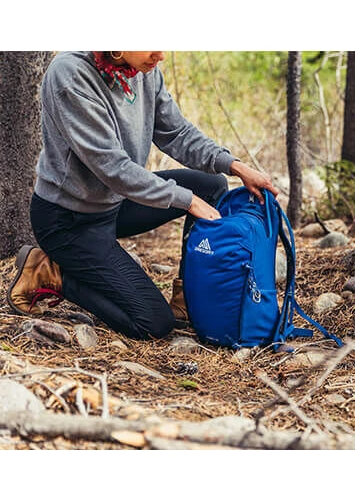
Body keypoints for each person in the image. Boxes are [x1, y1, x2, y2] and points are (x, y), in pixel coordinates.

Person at [7, 51, 277, 340]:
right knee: (153, 324)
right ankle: (51, 273)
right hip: (70, 222)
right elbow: (113, 167)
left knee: (211, 185)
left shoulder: (143, 70)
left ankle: (188, 299)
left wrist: (235, 166)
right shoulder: (71, 75)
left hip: (114, 204)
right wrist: (187, 200)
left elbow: (177, 133)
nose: (160, 55)